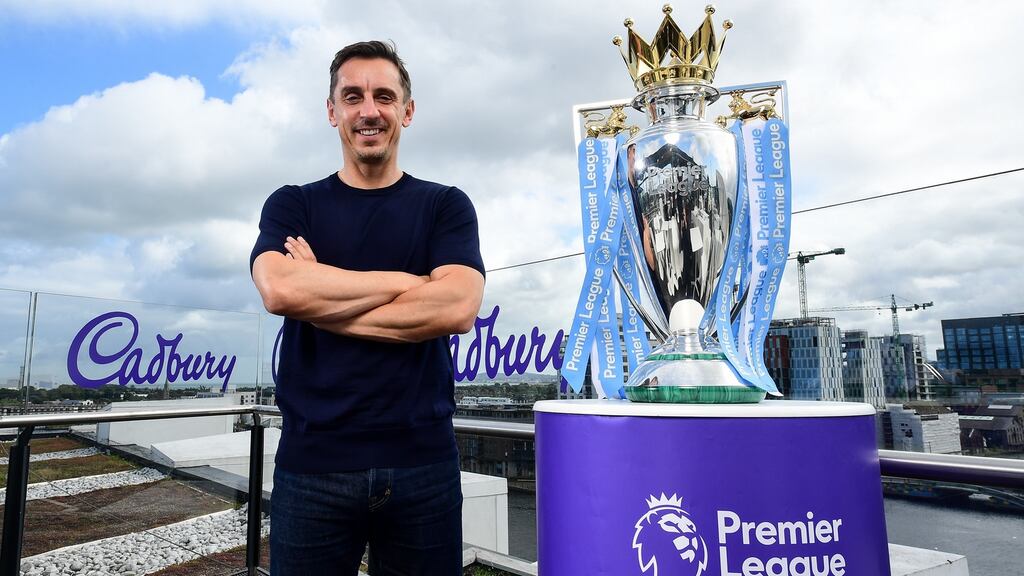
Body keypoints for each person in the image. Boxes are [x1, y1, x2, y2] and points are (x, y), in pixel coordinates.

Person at [249, 40, 485, 575]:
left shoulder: (445, 205)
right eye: (352, 96)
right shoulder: (293, 203)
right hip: (313, 469)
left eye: (384, 96)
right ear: (332, 111)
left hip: (423, 467)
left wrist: (322, 294)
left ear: (407, 110)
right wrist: (409, 282)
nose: (369, 110)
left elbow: (457, 306)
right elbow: (280, 291)